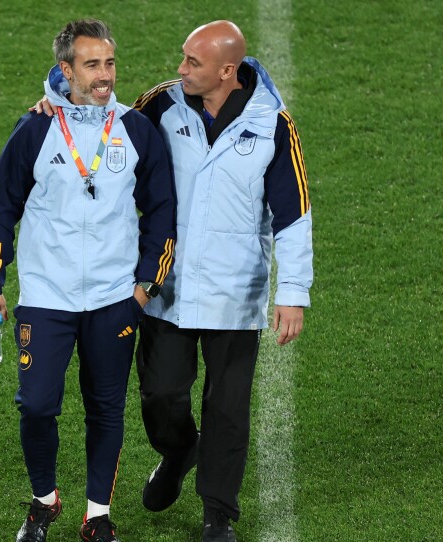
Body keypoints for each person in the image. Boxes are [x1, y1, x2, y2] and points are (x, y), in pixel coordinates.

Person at [33, 20, 312, 542]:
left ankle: (218, 515)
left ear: (227, 72)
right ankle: (179, 450)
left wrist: (292, 293)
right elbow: (99, 118)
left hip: (236, 292)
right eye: (182, 59)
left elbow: (294, 215)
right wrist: (53, 94)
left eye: (192, 63)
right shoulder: (161, 104)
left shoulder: (273, 124)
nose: (179, 69)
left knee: (228, 409)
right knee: (161, 398)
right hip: (168, 289)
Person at [0, 19, 177, 542]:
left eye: (109, 62)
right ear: (66, 70)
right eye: (92, 65)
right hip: (46, 297)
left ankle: (97, 517)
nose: (105, 74)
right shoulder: (36, 129)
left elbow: (162, 211)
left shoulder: (134, 130)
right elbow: (1, 209)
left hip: (114, 299)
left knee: (105, 408)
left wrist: (145, 286)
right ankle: (44, 502)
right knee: (38, 404)